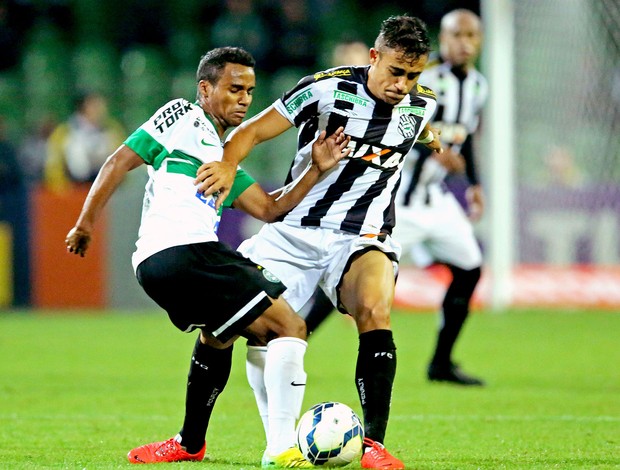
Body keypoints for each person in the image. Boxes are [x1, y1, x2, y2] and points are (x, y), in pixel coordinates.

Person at [65, 47, 350, 467]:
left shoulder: (225, 159)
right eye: (235, 88)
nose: (245, 99)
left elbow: (271, 209)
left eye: (251, 91)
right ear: (205, 89)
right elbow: (118, 160)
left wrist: (316, 169)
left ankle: (189, 442)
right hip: (183, 251)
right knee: (290, 325)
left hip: (164, 264)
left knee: (220, 335)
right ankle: (281, 448)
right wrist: (85, 222)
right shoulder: (181, 116)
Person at [195, 16, 442, 469]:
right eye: (395, 72)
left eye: (413, 76)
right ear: (373, 57)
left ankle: (375, 446)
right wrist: (228, 164)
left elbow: (414, 124)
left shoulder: (421, 105)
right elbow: (251, 131)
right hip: (293, 231)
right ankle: (190, 441)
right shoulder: (325, 90)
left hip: (362, 236)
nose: (402, 85)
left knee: (374, 309)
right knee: (222, 323)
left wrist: (430, 135)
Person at [392, 9, 487, 386]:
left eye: (471, 35)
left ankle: (441, 363)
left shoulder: (479, 86)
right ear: (442, 40)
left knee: (470, 269)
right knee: (353, 280)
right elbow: (395, 129)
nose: (463, 42)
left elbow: (467, 139)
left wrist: (475, 184)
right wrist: (431, 148)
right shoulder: (421, 79)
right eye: (455, 35)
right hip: (398, 201)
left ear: (479, 41)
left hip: (436, 198)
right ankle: (294, 335)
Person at [45, 91, 125, 192]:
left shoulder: (112, 130)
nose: (101, 108)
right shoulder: (64, 133)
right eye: (95, 104)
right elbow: (54, 166)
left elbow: (123, 159)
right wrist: (63, 190)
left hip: (106, 188)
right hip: (75, 188)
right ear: (83, 107)